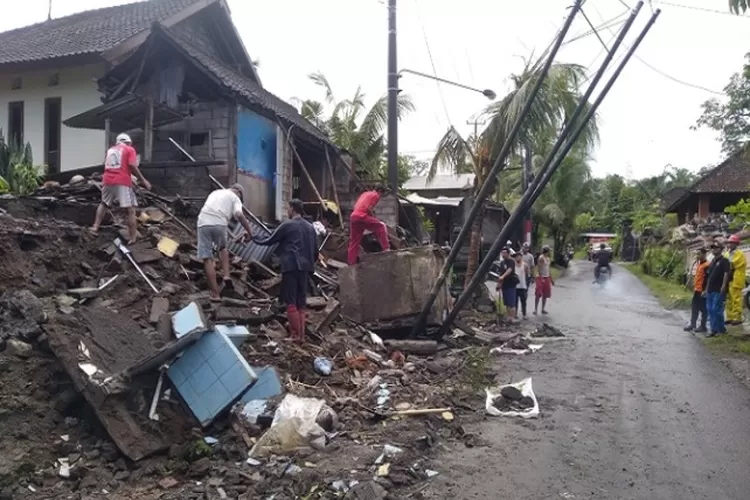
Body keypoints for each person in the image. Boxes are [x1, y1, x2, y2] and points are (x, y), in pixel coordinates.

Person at [254, 199, 318, 343]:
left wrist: (253, 238)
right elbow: (315, 251)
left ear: (293, 209)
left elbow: (269, 240)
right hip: (305, 268)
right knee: (301, 302)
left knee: (290, 300)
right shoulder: (310, 227)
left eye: (288, 208)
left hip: (290, 266)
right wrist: (309, 264)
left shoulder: (288, 225)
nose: (287, 211)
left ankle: (295, 336)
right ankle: (301, 336)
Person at [196, 184, 254, 301]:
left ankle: (215, 294)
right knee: (223, 249)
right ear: (239, 192)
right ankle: (226, 276)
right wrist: (249, 231)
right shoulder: (235, 198)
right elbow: (238, 214)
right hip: (219, 223)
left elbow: (211, 211)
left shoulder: (215, 192)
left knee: (207, 258)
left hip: (203, 222)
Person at [91, 133, 152, 243]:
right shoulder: (129, 149)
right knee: (130, 210)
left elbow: (114, 165)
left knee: (104, 203)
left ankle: (95, 227)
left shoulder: (110, 150)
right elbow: (132, 165)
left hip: (107, 180)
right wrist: (143, 180)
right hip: (122, 181)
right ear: (128, 142)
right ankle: (132, 238)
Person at [347, 185, 390, 265]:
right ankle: (386, 249)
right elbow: (369, 208)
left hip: (354, 216)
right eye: (382, 194)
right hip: (361, 216)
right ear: (380, 191)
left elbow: (357, 206)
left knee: (354, 242)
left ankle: (351, 264)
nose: (381, 197)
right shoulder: (376, 195)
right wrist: (373, 217)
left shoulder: (365, 194)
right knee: (381, 226)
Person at [705, 242, 731, 336]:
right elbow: (709, 276)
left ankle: (721, 330)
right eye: (712, 247)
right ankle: (713, 329)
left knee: (717, 310)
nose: (714, 249)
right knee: (710, 310)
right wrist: (706, 288)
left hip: (718, 289)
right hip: (710, 289)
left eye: (716, 247)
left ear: (721, 249)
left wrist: (723, 286)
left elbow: (726, 274)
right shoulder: (712, 262)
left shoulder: (725, 261)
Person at [684, 247, 709, 333]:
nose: (697, 256)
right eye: (696, 254)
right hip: (697, 290)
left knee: (703, 309)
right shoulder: (699, 264)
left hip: (702, 291)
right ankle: (693, 324)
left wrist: (705, 290)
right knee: (694, 307)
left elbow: (707, 279)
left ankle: (703, 326)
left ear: (704, 254)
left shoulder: (707, 265)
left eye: (699, 254)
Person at [726, 234, 746, 325]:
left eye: (731, 243)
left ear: (736, 244)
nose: (729, 244)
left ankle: (737, 318)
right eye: (729, 242)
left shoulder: (739, 254)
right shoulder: (727, 253)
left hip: (736, 280)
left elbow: (732, 263)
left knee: (736, 299)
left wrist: (725, 265)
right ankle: (730, 317)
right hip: (729, 279)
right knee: (729, 299)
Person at [495, 247, 519, 321]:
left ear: (508, 253)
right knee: (507, 302)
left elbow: (509, 270)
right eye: (502, 253)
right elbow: (500, 274)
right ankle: (509, 317)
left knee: (511, 302)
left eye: (505, 253)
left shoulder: (511, 261)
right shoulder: (502, 263)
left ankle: (512, 317)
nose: (503, 254)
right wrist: (499, 284)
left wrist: (503, 276)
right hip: (504, 285)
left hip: (511, 284)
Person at [534, 246, 554, 315]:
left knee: (545, 294)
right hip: (541, 277)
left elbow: (548, 269)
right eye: (549, 251)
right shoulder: (541, 258)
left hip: (547, 277)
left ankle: (543, 309)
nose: (550, 253)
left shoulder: (548, 259)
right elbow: (539, 268)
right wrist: (541, 277)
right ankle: (535, 309)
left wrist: (551, 279)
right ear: (547, 251)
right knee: (538, 293)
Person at [514, 251, 531, 319]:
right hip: (515, 286)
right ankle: (515, 314)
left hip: (523, 286)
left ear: (521, 257)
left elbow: (528, 275)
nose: (517, 258)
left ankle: (524, 314)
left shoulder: (525, 265)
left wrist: (527, 285)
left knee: (523, 301)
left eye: (518, 256)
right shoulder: (513, 265)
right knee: (515, 301)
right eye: (516, 256)